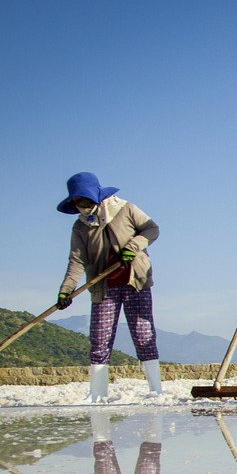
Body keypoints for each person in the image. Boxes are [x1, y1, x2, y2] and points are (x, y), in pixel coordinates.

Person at [55, 172, 161, 402]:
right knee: (100, 337)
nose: (82, 206)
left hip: (135, 281)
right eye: (77, 202)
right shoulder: (80, 227)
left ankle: (156, 390)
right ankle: (97, 393)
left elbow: (152, 229)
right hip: (103, 285)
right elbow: (76, 261)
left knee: (143, 333)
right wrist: (66, 290)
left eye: (85, 200)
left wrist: (133, 247)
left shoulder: (125, 209)